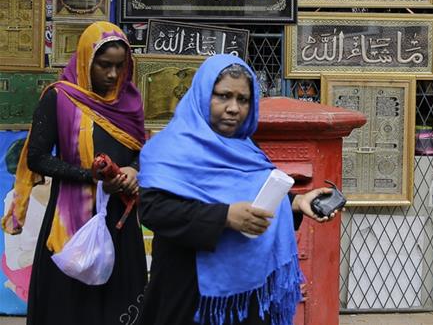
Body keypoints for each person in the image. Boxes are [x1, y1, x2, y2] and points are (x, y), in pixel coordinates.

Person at [138, 54, 336, 325]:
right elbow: (153, 210)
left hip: (247, 297)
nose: (233, 108)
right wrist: (224, 217)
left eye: (242, 99)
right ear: (202, 95)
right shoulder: (166, 150)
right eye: (222, 96)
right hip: (189, 293)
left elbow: (252, 196)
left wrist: (295, 202)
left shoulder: (246, 150)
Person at [2, 21, 147, 325]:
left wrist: (134, 172)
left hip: (118, 218)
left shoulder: (130, 101)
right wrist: (88, 176)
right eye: (104, 65)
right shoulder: (59, 98)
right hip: (69, 221)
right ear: (86, 61)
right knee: (67, 305)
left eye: (120, 66)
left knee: (117, 302)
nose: (112, 75)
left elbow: (139, 152)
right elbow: (38, 159)